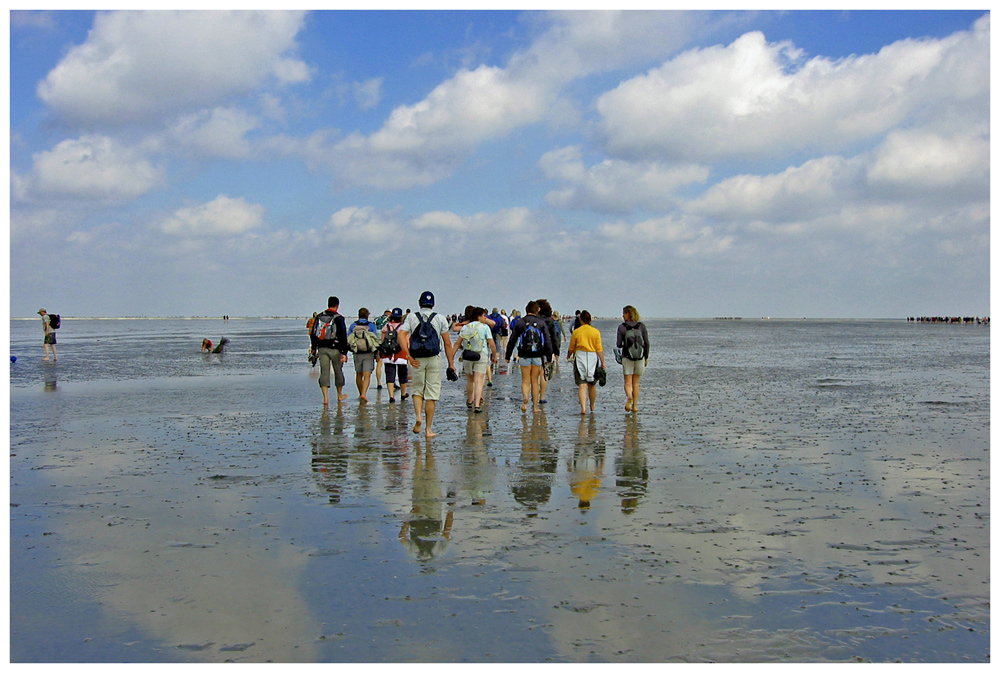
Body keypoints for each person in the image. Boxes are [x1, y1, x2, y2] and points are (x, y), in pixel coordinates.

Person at [399, 291, 456, 438]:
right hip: (433, 358)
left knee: (418, 390)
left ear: (419, 303)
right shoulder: (440, 318)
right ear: (433, 304)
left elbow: (401, 335)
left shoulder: (412, 317)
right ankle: (428, 429)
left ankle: (418, 417)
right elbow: (447, 343)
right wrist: (451, 363)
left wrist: (409, 355)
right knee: (431, 394)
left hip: (417, 358)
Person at [505, 300, 552, 414]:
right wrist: (549, 357)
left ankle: (525, 398)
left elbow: (512, 340)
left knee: (525, 380)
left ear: (526, 310)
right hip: (537, 356)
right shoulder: (541, 323)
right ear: (537, 310)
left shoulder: (520, 322)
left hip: (524, 355)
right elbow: (547, 340)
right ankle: (535, 407)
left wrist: (508, 355)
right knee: (535, 381)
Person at [456, 306, 497, 412]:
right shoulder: (484, 327)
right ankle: (477, 404)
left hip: (468, 355)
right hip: (481, 354)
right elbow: (491, 344)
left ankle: (470, 401)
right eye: (483, 315)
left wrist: (451, 357)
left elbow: (458, 343)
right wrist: (494, 356)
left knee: (470, 380)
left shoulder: (465, 327)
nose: (485, 318)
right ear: (478, 316)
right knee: (478, 380)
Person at [310, 296, 349, 406]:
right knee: (338, 371)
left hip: (322, 348)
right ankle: (339, 395)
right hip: (335, 348)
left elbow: (313, 334)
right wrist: (344, 352)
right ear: (337, 306)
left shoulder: (319, 316)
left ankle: (325, 397)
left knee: (324, 371)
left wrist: (314, 347)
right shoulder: (339, 318)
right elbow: (342, 336)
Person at [567, 310, 605, 414]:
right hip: (593, 356)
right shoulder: (595, 332)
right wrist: (602, 361)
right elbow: (599, 349)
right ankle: (592, 405)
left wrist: (568, 356)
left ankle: (583, 408)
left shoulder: (576, 332)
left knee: (582, 384)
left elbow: (572, 347)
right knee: (592, 384)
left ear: (581, 319)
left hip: (580, 356)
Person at [617, 305, 650, 412]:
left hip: (627, 356)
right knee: (636, 383)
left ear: (628, 314)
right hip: (640, 357)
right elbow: (647, 343)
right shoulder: (641, 326)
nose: (622, 315)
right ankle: (635, 406)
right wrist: (646, 356)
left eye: (624, 313)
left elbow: (618, 344)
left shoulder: (622, 327)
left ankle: (629, 397)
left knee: (627, 382)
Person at [347, 307, 381, 403]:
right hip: (368, 353)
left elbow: (348, 338)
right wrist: (377, 353)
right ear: (367, 315)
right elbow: (375, 340)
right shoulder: (371, 326)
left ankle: (360, 392)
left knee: (358, 374)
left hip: (357, 352)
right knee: (367, 375)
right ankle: (364, 394)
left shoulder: (353, 325)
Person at [380, 308, 409, 403]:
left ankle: (391, 396)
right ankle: (403, 393)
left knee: (389, 374)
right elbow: (407, 341)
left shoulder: (386, 326)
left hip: (388, 354)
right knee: (402, 374)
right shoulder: (404, 327)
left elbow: (382, 340)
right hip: (401, 353)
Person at [536, 299, 560, 404]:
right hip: (546, 349)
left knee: (534, 374)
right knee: (543, 374)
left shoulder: (534, 319)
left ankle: (534, 395)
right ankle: (542, 397)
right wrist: (556, 351)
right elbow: (553, 337)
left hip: (534, 349)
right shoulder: (550, 321)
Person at [373, 309, 392, 390]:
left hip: (376, 343)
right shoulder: (389, 320)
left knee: (379, 363)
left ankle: (379, 383)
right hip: (386, 343)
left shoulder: (377, 319)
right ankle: (391, 383)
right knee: (389, 364)